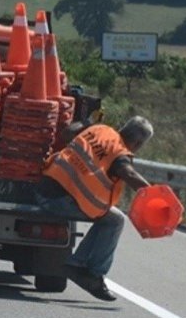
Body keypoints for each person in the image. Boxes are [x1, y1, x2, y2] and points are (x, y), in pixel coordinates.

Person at [37, 116, 153, 301]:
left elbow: (67, 133)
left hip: (44, 189)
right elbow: (128, 173)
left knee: (111, 218)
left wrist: (85, 121)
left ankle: (80, 265)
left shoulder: (100, 130)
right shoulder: (119, 154)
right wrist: (154, 195)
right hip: (61, 201)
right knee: (116, 221)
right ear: (138, 143)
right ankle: (92, 275)